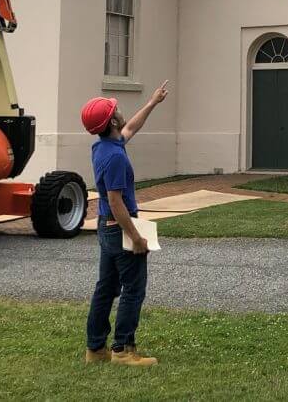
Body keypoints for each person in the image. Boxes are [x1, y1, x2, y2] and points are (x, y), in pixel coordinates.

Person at [83, 81, 169, 366]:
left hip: (106, 227)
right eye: (115, 110)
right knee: (133, 289)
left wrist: (153, 102)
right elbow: (116, 201)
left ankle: (95, 350)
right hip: (119, 227)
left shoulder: (103, 147)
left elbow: (131, 128)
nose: (119, 111)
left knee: (105, 288)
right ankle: (123, 350)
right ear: (112, 121)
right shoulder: (116, 157)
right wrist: (135, 237)